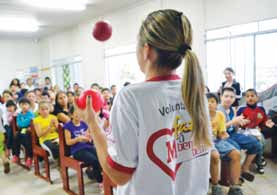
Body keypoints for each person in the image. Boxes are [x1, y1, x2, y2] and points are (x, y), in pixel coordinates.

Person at [75, 9, 212, 195]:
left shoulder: (131, 97)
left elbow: (119, 174)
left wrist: (92, 123)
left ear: (146, 50)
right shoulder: (196, 93)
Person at [218, 87, 262, 182]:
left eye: (231, 97)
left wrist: (238, 123)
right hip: (222, 137)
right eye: (226, 96)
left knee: (256, 144)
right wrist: (233, 121)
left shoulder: (232, 109)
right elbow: (217, 130)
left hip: (233, 135)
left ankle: (244, 169)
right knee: (236, 148)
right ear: (221, 97)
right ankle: (232, 177)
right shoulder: (218, 110)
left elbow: (234, 128)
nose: (229, 99)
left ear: (234, 99)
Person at [207, 93, 242, 195]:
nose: (209, 104)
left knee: (236, 154)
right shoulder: (199, 115)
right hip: (205, 141)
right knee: (215, 155)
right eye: (206, 102)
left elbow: (221, 132)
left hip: (217, 140)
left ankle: (234, 187)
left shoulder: (220, 115)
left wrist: (223, 135)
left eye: (212, 101)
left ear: (217, 104)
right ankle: (215, 186)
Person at [237, 89, 275, 174]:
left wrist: (266, 123)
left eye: (252, 96)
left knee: (263, 141)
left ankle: (259, 158)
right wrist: (242, 123)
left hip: (255, 130)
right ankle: (259, 163)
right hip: (244, 132)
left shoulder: (261, 109)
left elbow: (263, 121)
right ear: (245, 98)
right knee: (259, 143)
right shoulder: (241, 109)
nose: (250, 98)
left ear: (257, 98)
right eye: (248, 96)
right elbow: (237, 123)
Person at [64, 106, 102, 182]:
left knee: (101, 157)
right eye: (76, 113)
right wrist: (78, 139)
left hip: (88, 147)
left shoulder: (84, 123)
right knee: (94, 161)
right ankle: (100, 181)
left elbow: (89, 136)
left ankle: (92, 174)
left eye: (80, 113)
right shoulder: (68, 126)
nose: (79, 115)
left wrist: (89, 138)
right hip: (77, 150)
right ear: (71, 115)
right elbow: (68, 142)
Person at [12, 98, 34, 168]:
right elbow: (18, 124)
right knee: (15, 136)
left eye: (25, 104)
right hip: (22, 130)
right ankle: (16, 155)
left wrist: (22, 124)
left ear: (29, 106)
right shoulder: (19, 115)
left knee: (26, 139)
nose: (23, 106)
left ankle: (30, 157)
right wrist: (23, 124)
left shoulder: (30, 113)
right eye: (21, 105)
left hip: (29, 131)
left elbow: (29, 122)